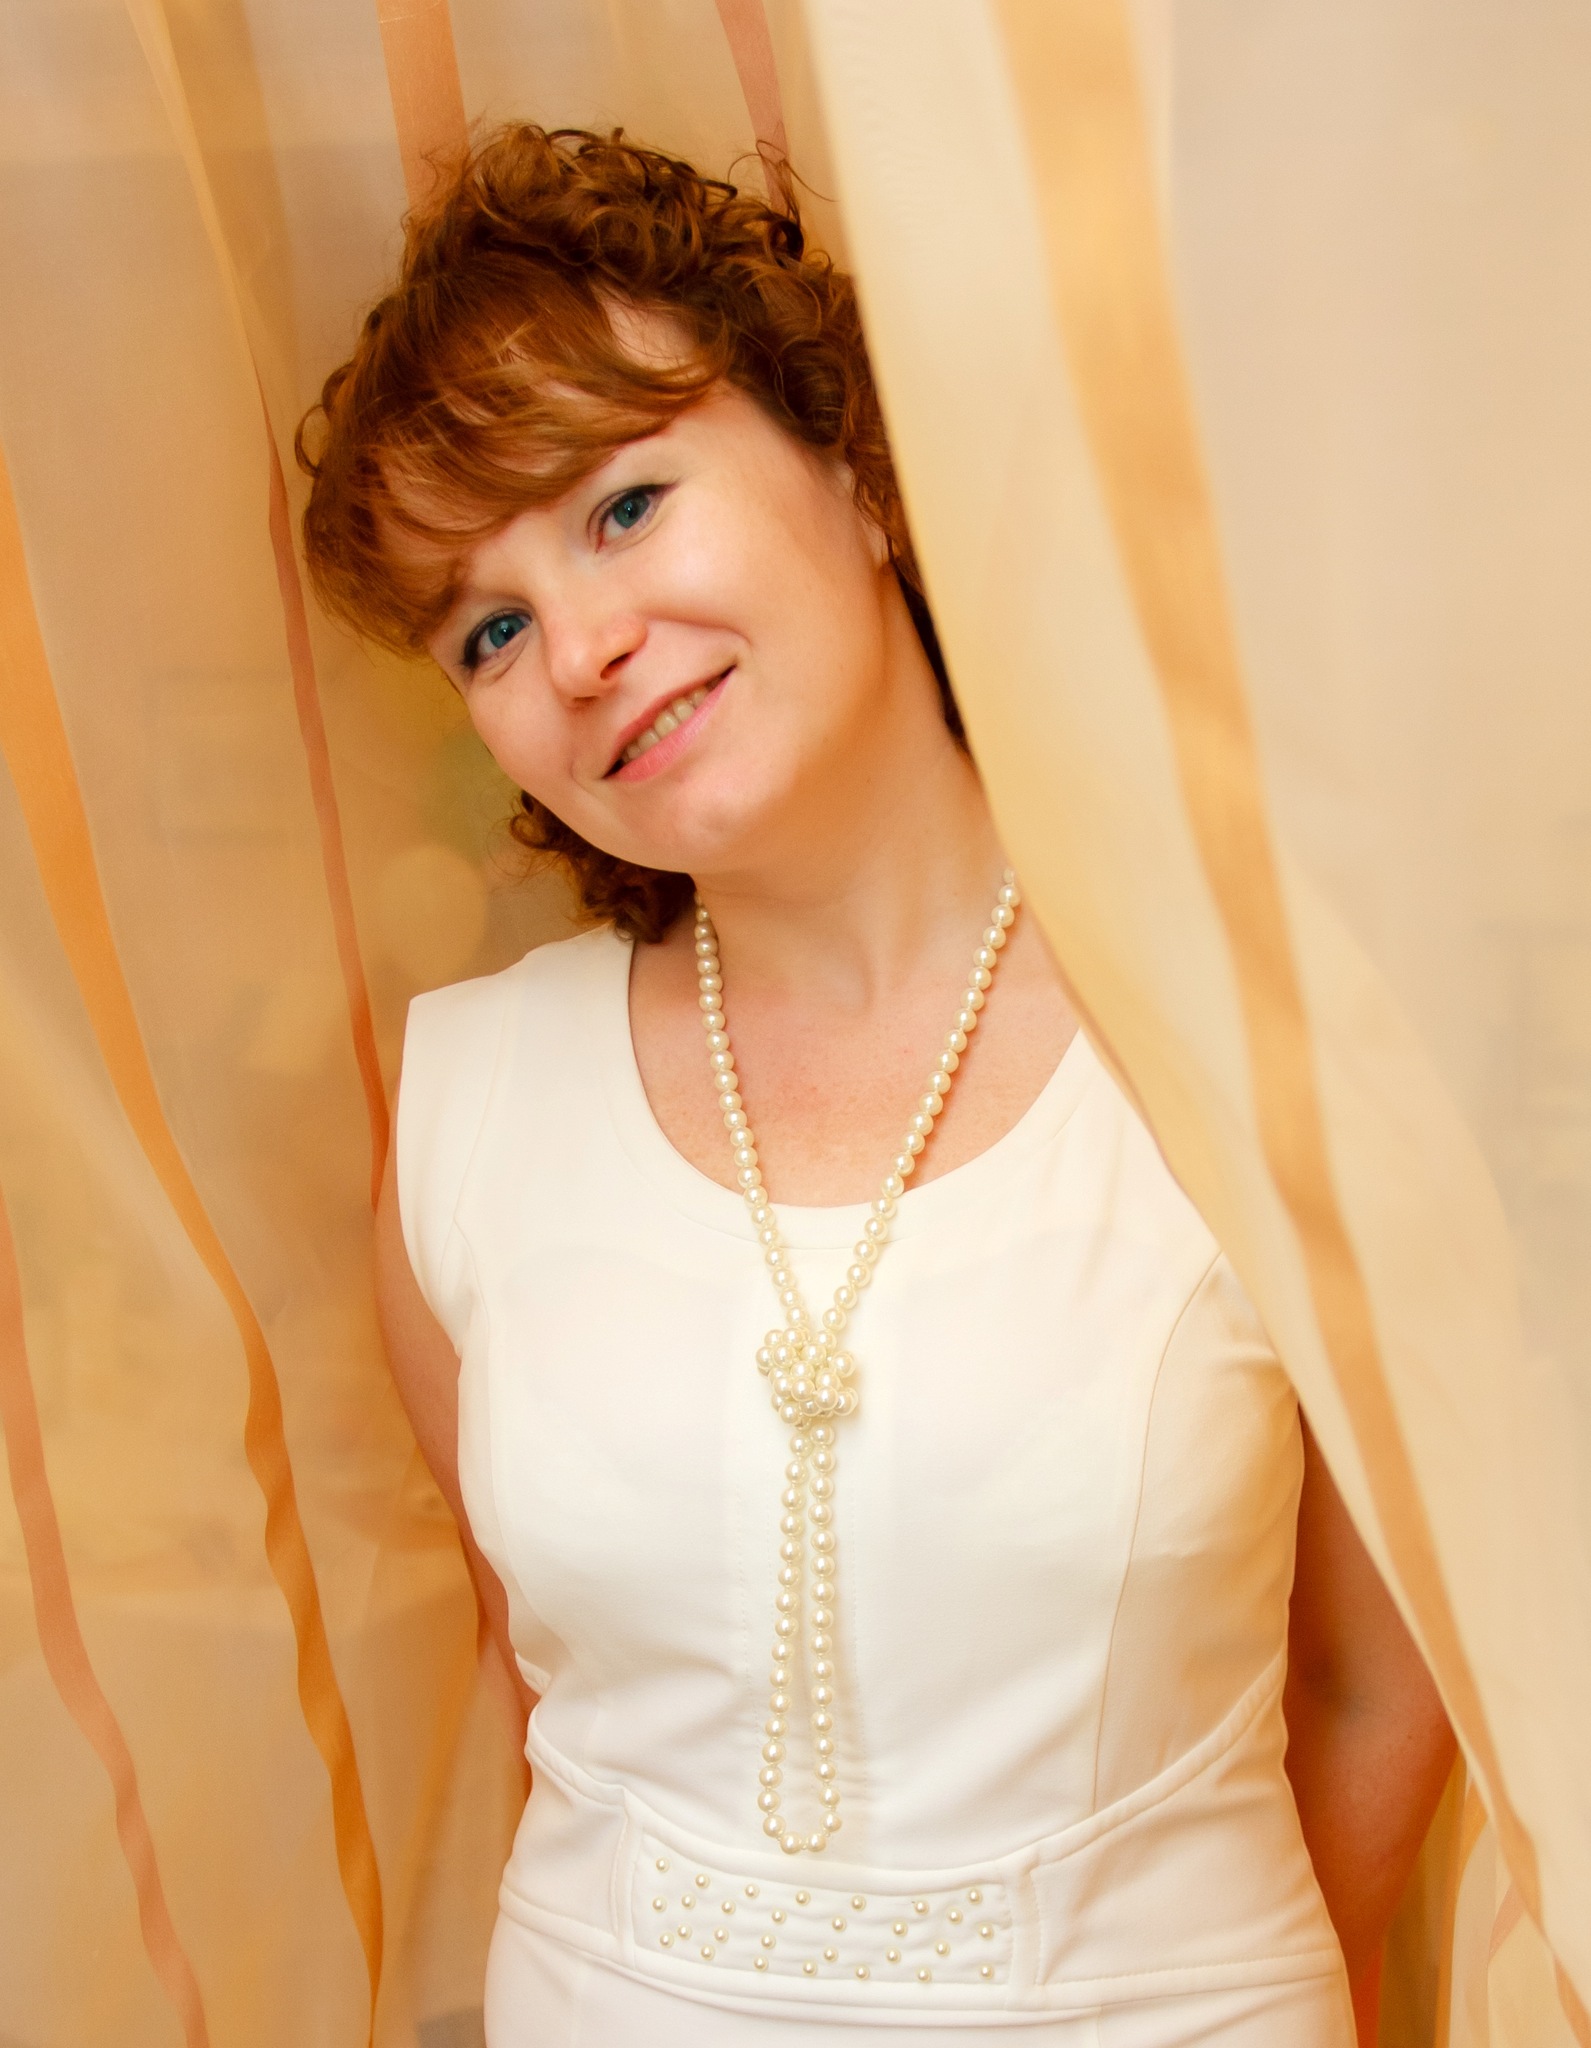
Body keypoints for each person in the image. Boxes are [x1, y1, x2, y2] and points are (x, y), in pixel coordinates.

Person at [299, 125, 1454, 2046]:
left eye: (623, 505)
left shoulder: (1274, 1051)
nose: (577, 648)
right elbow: (554, 1682)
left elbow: (1373, 1685)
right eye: (486, 628)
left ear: (851, 461)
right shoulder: (465, 1109)